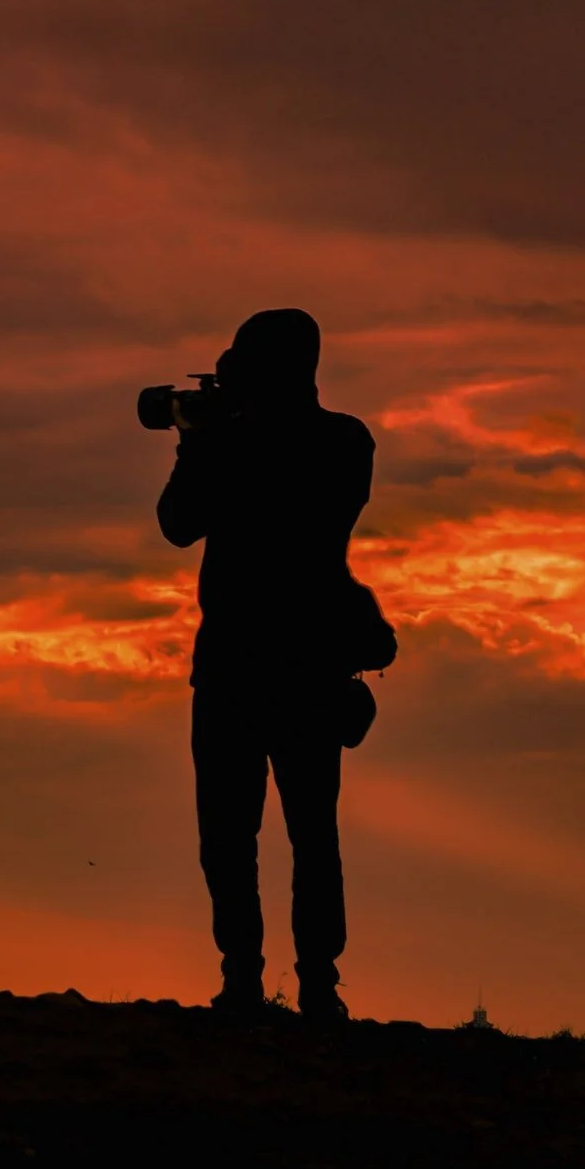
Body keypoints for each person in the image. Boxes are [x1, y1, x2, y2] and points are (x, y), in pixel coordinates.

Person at [156, 308, 374, 1022]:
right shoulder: (345, 442)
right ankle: (315, 986)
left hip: (237, 667)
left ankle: (245, 984)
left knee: (233, 835)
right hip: (305, 664)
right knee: (310, 833)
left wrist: (197, 442)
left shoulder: (240, 446)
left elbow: (177, 523)